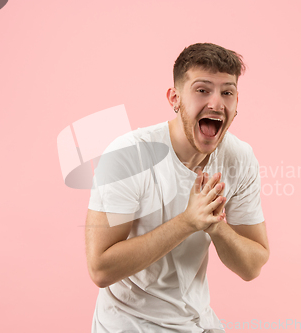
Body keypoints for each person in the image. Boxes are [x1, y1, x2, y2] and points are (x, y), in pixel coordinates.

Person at [85, 42, 270, 333]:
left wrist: (215, 226)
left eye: (227, 92)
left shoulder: (239, 157)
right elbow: (100, 268)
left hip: (197, 322)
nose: (216, 103)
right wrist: (187, 222)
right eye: (202, 90)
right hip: (130, 324)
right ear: (175, 98)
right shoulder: (130, 155)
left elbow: (252, 266)